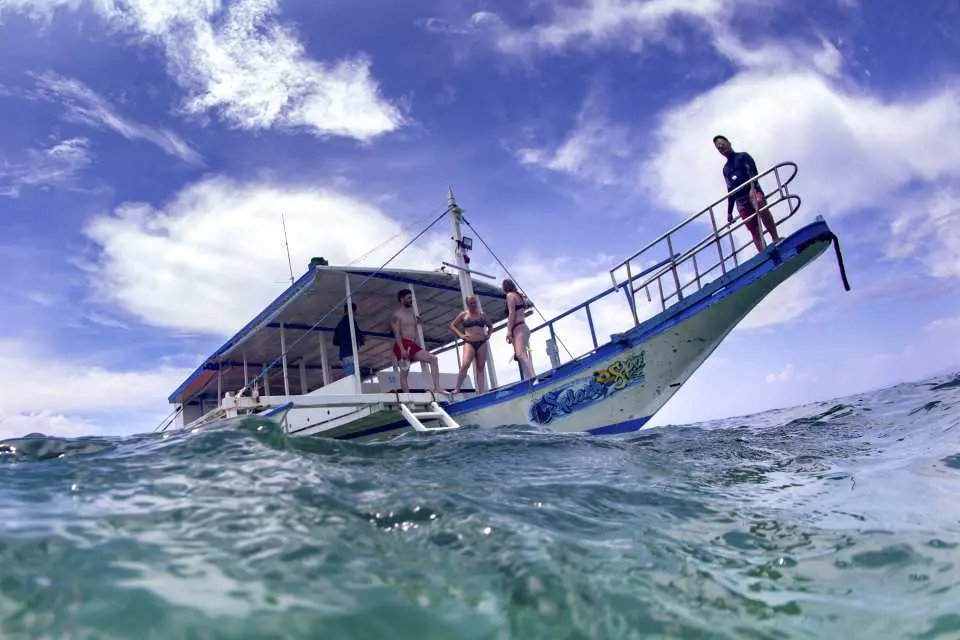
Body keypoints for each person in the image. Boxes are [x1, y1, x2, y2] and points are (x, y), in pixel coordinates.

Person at [713, 135, 781, 252]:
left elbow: (753, 173)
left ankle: (776, 239)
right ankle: (763, 252)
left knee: (760, 205)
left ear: (729, 143)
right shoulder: (725, 169)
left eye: (722, 144)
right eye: (718, 148)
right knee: (752, 228)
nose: (721, 148)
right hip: (740, 200)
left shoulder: (743, 156)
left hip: (753, 190)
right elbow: (730, 190)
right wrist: (729, 212)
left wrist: (752, 188)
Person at [390, 288, 447, 395]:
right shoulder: (396, 315)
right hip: (401, 345)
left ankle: (437, 387)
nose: (411, 300)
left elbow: (412, 331)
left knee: (433, 359)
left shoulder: (412, 313)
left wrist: (417, 323)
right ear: (402, 299)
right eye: (409, 298)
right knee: (404, 373)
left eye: (411, 298)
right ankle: (408, 397)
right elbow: (397, 334)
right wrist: (402, 350)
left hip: (412, 344)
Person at [449, 295, 493, 394]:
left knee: (480, 367)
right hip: (469, 342)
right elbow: (452, 326)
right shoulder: (463, 314)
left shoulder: (483, 315)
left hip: (482, 342)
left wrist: (488, 335)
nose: (474, 304)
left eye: (475, 302)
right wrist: (461, 335)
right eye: (471, 303)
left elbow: (490, 326)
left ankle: (481, 392)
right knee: (465, 364)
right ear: (467, 304)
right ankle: (457, 388)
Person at [502, 279, 535, 380]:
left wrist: (508, 330)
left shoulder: (510, 296)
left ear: (505, 287)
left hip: (518, 328)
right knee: (521, 354)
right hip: (523, 327)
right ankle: (529, 378)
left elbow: (512, 313)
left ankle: (533, 377)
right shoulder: (519, 296)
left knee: (520, 354)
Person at [332, 302, 364, 377]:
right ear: (352, 311)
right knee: (354, 377)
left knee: (350, 376)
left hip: (343, 355)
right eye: (354, 312)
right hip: (350, 352)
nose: (355, 314)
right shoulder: (351, 321)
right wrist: (361, 340)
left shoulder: (339, 324)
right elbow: (358, 335)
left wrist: (343, 341)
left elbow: (335, 341)